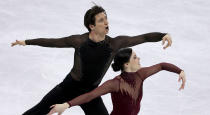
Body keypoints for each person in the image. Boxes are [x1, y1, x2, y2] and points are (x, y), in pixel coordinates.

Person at [11, 5, 172, 115]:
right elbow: (53, 42)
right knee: (38, 111)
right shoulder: (79, 41)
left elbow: (143, 37)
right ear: (91, 26)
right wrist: (27, 42)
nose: (106, 22)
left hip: (90, 92)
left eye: (106, 18)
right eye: (101, 20)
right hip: (68, 88)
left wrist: (162, 35)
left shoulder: (114, 44)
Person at [48, 48, 186, 115]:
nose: (139, 59)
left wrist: (180, 71)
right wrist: (67, 104)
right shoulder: (115, 83)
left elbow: (161, 65)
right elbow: (90, 95)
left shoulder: (141, 74)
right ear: (126, 64)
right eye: (135, 57)